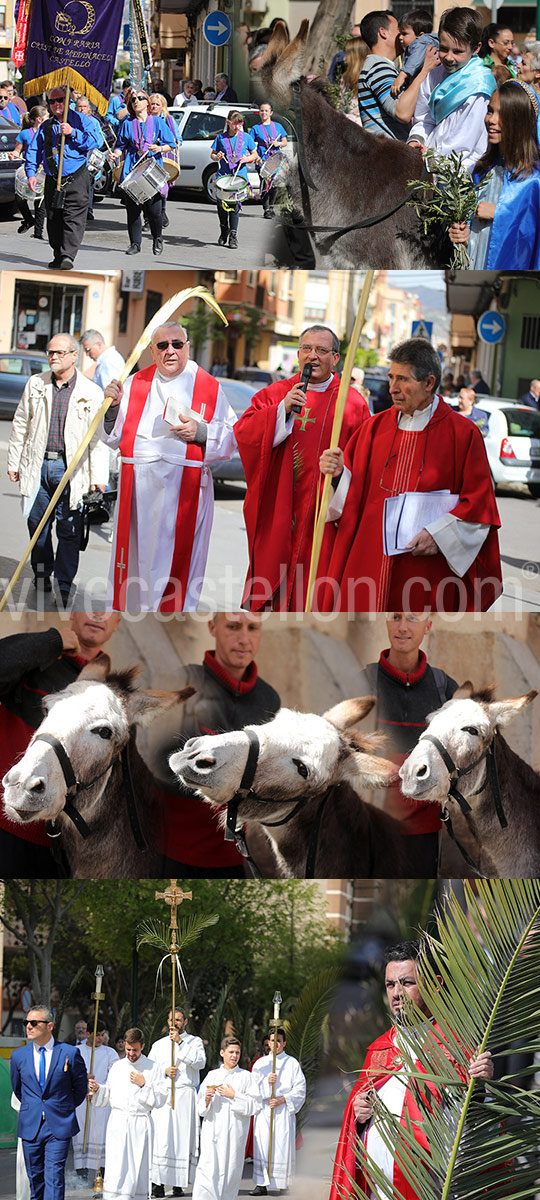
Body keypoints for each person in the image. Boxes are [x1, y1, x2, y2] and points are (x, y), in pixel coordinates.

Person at [318, 337, 502, 612]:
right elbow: (349, 496)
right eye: (391, 377)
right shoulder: (372, 429)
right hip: (368, 562)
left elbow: (479, 507)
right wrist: (336, 474)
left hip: (426, 573)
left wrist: (438, 535)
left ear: (429, 383)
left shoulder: (462, 435)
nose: (392, 388)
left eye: (403, 380)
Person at [329, 940, 493, 1200]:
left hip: (434, 1189)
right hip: (378, 1190)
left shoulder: (458, 1047)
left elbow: (473, 1119)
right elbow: (357, 1125)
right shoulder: (380, 1049)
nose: (396, 994)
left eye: (407, 983)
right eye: (390, 984)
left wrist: (481, 1082)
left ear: (435, 985)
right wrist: (359, 1115)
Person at [101, 323, 236, 611]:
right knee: (136, 569)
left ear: (188, 346)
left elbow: (232, 438)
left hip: (183, 492)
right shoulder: (136, 382)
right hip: (138, 495)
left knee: (174, 573)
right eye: (162, 346)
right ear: (152, 351)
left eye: (177, 344)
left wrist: (200, 432)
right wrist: (111, 407)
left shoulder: (208, 386)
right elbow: (113, 437)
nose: (170, 351)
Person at [234, 324, 370, 610]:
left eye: (321, 350)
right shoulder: (276, 393)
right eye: (307, 349)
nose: (313, 356)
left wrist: (340, 473)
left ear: (335, 358)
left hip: (324, 514)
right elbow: (244, 433)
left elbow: (365, 462)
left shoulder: (353, 404)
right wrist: (280, 411)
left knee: (314, 590)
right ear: (298, 354)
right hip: (279, 511)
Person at [151, 611, 280, 876]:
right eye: (233, 627)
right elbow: (159, 764)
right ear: (213, 627)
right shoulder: (182, 683)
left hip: (230, 852)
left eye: (253, 628)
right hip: (171, 849)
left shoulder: (269, 700)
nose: (244, 639)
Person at [0, 612, 120, 876]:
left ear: (117, 623)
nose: (99, 615)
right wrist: (52, 640)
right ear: (72, 614)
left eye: (110, 611)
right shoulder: (37, 663)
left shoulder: (112, 700)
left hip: (63, 849)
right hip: (5, 827)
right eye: (90, 607)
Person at [7, 333, 109, 607]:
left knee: (69, 530)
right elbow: (20, 424)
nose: (53, 357)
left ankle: (63, 584)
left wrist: (98, 478)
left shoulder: (91, 392)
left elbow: (98, 441)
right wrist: (14, 461)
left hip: (71, 470)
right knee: (37, 524)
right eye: (50, 352)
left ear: (75, 355)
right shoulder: (36, 384)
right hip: (39, 465)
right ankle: (42, 574)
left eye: (60, 353)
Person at [356, 612, 458, 877]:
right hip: (371, 830)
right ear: (386, 621)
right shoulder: (361, 682)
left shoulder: (444, 688)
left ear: (428, 625)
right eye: (395, 616)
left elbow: (460, 760)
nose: (403, 627)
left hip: (424, 838)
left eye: (413, 618)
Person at [448, 81, 540, 270]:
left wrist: (499, 213)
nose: (491, 120)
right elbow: (475, 222)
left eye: (503, 115)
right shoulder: (483, 169)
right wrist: (463, 233)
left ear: (521, 122)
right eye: (490, 110)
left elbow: (532, 237)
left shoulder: (533, 180)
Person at [10, 1005, 88, 1200]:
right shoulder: (18, 1056)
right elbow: (19, 1090)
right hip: (31, 1125)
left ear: (50, 1026)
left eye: (34, 1022)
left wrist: (63, 1108)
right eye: (26, 1022)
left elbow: (80, 1088)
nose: (29, 1026)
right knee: (35, 1180)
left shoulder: (69, 1053)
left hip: (59, 1124)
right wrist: (34, 1108)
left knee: (54, 1177)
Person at [407, 8, 496, 173]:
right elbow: (424, 119)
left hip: (460, 171)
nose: (448, 57)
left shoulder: (479, 85)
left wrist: (434, 159)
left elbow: (465, 142)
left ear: (476, 48)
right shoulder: (433, 75)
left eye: (457, 51)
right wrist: (416, 140)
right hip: (428, 162)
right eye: (443, 48)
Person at [88, 1027, 168, 1200]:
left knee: (136, 1169)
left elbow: (160, 1100)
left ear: (143, 1046)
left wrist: (143, 1084)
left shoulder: (153, 1067)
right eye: (128, 1049)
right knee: (117, 1168)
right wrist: (97, 1089)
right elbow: (108, 1095)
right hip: (118, 1123)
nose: (131, 1054)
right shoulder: (117, 1067)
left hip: (140, 1125)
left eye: (135, 1050)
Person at [25, 87, 100, 269]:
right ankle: (58, 254)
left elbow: (95, 141)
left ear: (68, 102)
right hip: (53, 179)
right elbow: (35, 150)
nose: (57, 104)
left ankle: (68, 255)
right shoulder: (46, 125)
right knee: (53, 218)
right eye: (52, 101)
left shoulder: (82, 120)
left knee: (73, 218)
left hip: (77, 177)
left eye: (60, 100)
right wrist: (31, 173)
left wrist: (73, 132)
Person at [193, 1036, 261, 1200]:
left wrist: (234, 1095)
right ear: (222, 1053)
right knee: (207, 1171)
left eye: (237, 1052)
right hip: (213, 1133)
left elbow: (255, 1106)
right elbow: (200, 1106)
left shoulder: (246, 1077)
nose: (234, 1056)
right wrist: (207, 1099)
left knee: (230, 1172)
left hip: (234, 1134)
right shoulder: (212, 1075)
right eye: (231, 1052)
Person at [113, 88, 176, 256]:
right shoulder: (127, 124)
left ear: (147, 102)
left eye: (140, 98)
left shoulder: (157, 122)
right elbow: (120, 146)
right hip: (132, 170)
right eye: (133, 99)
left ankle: (157, 238)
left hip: (152, 169)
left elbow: (172, 144)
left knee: (154, 211)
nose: (136, 101)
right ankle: (135, 244)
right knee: (133, 211)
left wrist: (159, 147)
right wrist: (115, 154)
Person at [150, 1008, 206, 1198]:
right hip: (165, 1095)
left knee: (182, 1139)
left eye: (179, 1020)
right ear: (167, 1021)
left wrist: (180, 1044)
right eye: (172, 1019)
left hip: (184, 1095)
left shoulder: (194, 1042)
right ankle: (157, 1182)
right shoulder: (158, 1045)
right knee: (163, 1139)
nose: (175, 1023)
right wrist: (165, 1071)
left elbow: (200, 1063)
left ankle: (178, 1183)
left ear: (185, 1022)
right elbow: (150, 1071)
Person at [250, 1027, 306, 1197]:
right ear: (268, 1042)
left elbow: (300, 1089)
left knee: (281, 1145)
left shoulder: (292, 1063)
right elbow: (252, 1089)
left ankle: (283, 1183)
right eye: (272, 1041)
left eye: (279, 1041)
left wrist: (283, 1099)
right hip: (265, 1111)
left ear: (284, 1043)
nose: (275, 1045)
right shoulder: (260, 1064)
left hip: (282, 1111)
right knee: (263, 1146)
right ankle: (261, 1184)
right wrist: (267, 1083)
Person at [73, 1022, 118, 1178]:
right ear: (88, 1034)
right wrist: (83, 1079)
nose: (100, 1038)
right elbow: (68, 1075)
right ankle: (81, 1171)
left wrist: (98, 1088)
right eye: (97, 1034)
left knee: (101, 1134)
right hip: (81, 1099)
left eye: (102, 1034)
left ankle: (102, 1171)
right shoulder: (76, 1051)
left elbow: (114, 1077)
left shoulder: (110, 1053)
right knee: (81, 1133)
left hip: (101, 1100)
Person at [357, 11, 411, 139]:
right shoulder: (378, 67)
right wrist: (425, 70)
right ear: (383, 32)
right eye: (399, 29)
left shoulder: (378, 66)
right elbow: (402, 112)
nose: (402, 35)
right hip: (388, 154)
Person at [210, 111, 257, 249]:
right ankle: (224, 230)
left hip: (239, 177)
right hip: (223, 176)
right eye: (235, 124)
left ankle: (233, 236)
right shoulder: (221, 137)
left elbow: (254, 154)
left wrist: (247, 159)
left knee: (234, 207)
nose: (237, 127)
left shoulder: (246, 137)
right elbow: (212, 154)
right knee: (221, 206)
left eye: (240, 124)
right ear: (228, 122)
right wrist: (217, 156)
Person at [9, 105, 48, 237]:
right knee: (19, 197)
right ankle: (28, 219)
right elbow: (17, 150)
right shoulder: (25, 134)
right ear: (39, 119)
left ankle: (38, 232)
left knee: (40, 201)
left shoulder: (48, 132)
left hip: (43, 170)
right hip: (28, 168)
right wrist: (13, 154)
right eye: (47, 116)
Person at [149, 93, 182, 229]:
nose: (155, 106)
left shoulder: (168, 120)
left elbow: (178, 140)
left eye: (158, 104)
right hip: (148, 157)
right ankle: (148, 219)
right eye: (153, 104)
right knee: (148, 187)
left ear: (163, 106)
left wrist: (167, 146)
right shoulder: (146, 119)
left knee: (162, 187)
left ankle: (161, 212)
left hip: (164, 158)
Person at [391, 9, 439, 97]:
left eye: (404, 34)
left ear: (420, 35)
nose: (400, 37)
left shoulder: (422, 41)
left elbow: (414, 59)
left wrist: (402, 76)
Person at [251, 103, 288, 219]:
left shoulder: (278, 126)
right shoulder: (255, 128)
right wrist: (256, 157)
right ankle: (266, 209)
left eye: (266, 111)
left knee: (275, 184)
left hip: (275, 160)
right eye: (262, 111)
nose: (264, 113)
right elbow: (250, 145)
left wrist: (279, 143)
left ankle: (271, 207)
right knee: (265, 184)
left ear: (271, 113)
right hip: (262, 160)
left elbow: (285, 141)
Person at [74, 95, 105, 223]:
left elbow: (99, 140)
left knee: (89, 186)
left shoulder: (94, 122)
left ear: (89, 109)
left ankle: (89, 210)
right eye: (79, 107)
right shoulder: (72, 121)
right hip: (76, 157)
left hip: (90, 157)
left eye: (84, 107)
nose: (82, 109)